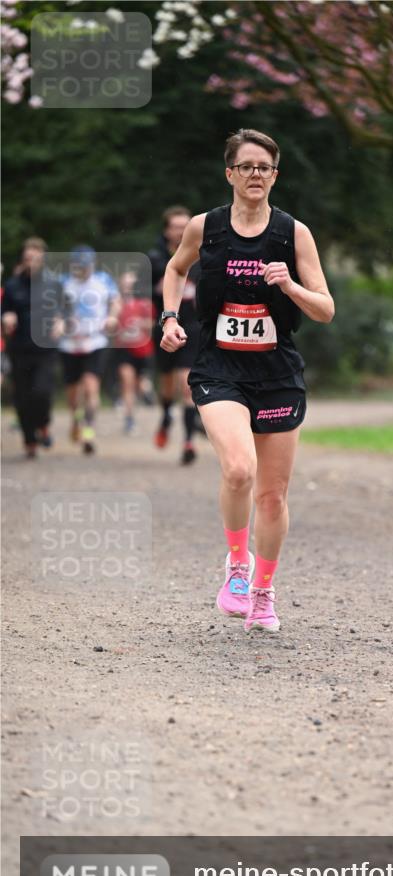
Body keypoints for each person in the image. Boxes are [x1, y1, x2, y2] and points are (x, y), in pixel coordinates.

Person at [160, 128, 334, 632]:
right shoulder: (206, 228)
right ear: (230, 173)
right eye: (246, 166)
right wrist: (170, 318)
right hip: (219, 367)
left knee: (273, 496)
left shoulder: (293, 233)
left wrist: (290, 285)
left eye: (265, 167)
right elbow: (175, 270)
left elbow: (324, 309)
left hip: (277, 371)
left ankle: (263, 591)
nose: (255, 174)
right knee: (239, 470)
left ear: (275, 176)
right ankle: (238, 568)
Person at [149, 206, 203, 464]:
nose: (180, 231)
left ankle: (188, 441)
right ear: (166, 230)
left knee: (187, 385)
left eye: (185, 226)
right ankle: (166, 415)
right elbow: (143, 294)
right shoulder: (155, 259)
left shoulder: (202, 255)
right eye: (175, 227)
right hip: (163, 327)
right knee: (168, 387)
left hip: (192, 329)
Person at [1, 237, 63, 458]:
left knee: (42, 391)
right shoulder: (12, 285)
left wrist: (61, 321)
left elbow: (65, 309)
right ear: (23, 260)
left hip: (46, 348)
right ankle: (29, 439)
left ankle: (43, 424)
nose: (32, 262)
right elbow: (4, 309)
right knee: (22, 396)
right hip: (20, 348)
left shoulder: (54, 284)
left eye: (36, 258)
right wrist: (6, 317)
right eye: (28, 258)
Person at [60, 245, 120, 455]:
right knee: (72, 394)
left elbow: (115, 301)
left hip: (95, 341)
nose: (83, 270)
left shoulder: (103, 280)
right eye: (79, 267)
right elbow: (54, 308)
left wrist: (112, 316)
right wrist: (58, 321)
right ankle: (76, 418)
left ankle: (89, 430)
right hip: (69, 343)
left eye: (86, 266)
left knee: (90, 387)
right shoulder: (64, 283)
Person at [115, 269, 155, 434]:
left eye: (130, 283)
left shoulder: (144, 303)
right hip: (124, 349)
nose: (127, 286)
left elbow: (152, 323)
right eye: (124, 282)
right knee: (127, 383)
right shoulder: (115, 303)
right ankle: (129, 419)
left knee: (140, 385)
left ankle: (146, 390)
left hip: (143, 349)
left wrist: (140, 324)